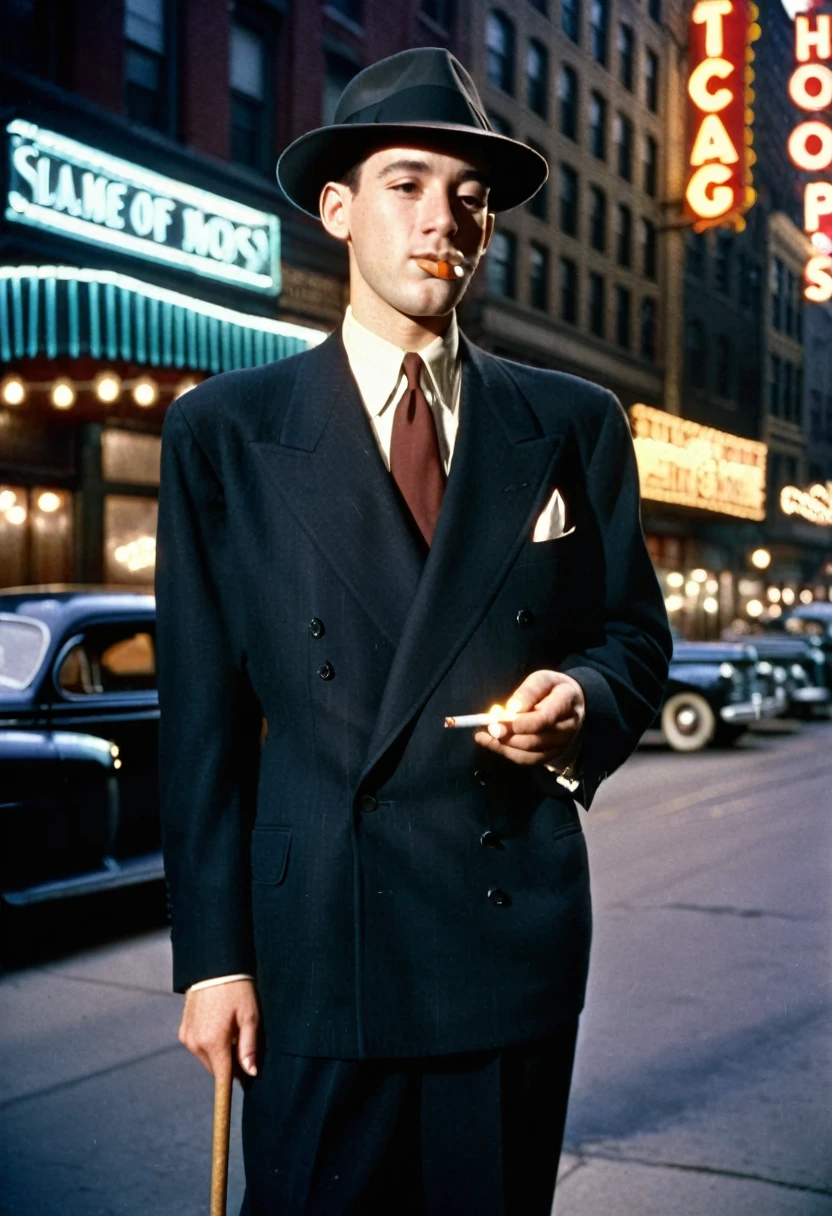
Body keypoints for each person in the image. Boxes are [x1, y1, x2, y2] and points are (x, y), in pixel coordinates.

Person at [155, 46, 672, 1215]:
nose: (443, 218)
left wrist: (583, 702)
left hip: (506, 947)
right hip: (315, 949)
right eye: (406, 183)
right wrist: (214, 958)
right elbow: (201, 726)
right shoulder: (224, 434)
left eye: (470, 197)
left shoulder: (573, 423)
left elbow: (633, 640)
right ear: (337, 208)